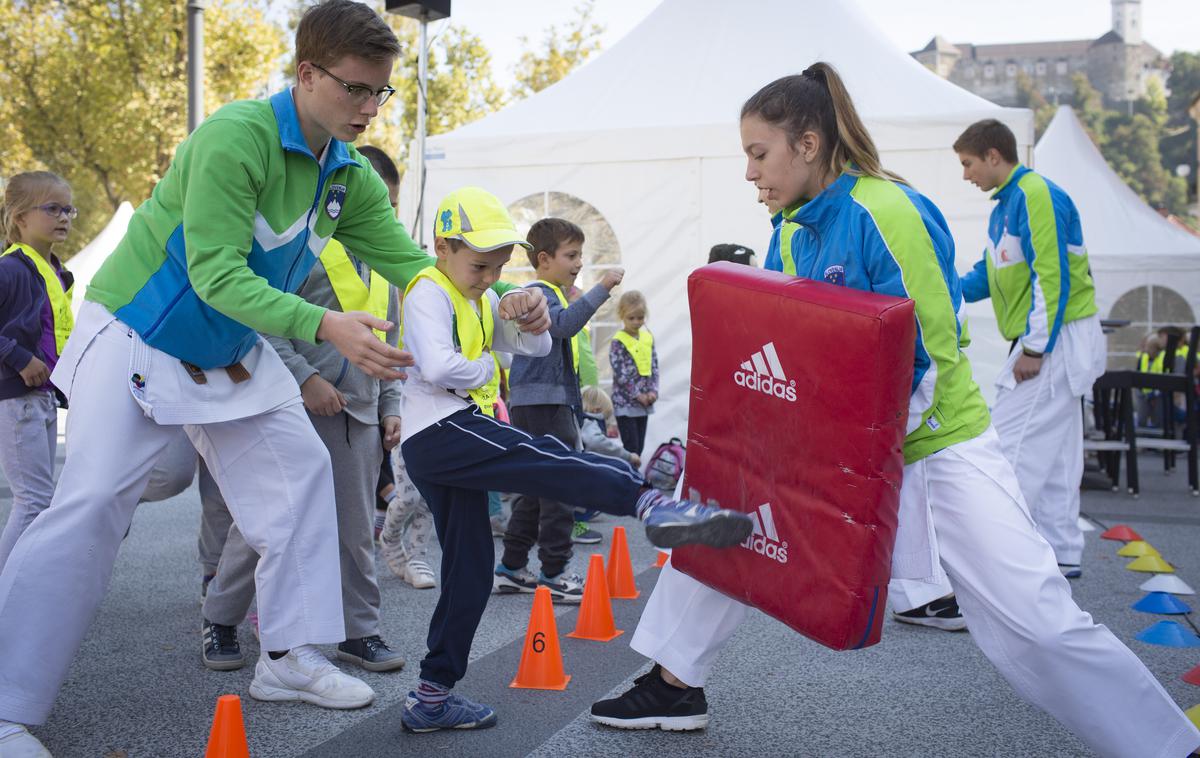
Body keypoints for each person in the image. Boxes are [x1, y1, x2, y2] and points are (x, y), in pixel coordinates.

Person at [590, 64, 1200, 758]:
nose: (750, 173)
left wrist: (849, 453)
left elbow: (932, 361)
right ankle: (675, 682)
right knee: (722, 516)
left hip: (937, 445)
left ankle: (1168, 746)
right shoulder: (790, 230)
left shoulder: (890, 212)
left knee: (1035, 622)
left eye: (759, 154)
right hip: (843, 445)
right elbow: (787, 351)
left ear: (809, 144)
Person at [0, 2, 551, 754]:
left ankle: (290, 658)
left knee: (298, 472)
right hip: (137, 332)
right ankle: (7, 706)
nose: (368, 108)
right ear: (305, 73)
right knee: (93, 501)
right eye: (355, 89)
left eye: (380, 92)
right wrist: (327, 327)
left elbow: (420, 270)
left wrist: (508, 299)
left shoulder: (347, 176)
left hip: (230, 348)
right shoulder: (235, 138)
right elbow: (216, 273)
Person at [395, 186, 753, 733]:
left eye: (497, 267)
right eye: (479, 265)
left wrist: (530, 317)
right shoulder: (428, 289)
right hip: (442, 430)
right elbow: (442, 369)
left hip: (453, 431)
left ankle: (432, 696)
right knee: (548, 459)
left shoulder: (481, 296)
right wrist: (493, 364)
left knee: (469, 573)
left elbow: (536, 350)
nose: (490, 277)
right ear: (443, 247)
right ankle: (648, 501)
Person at [198, 144, 408, 674]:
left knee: (357, 531)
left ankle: (359, 632)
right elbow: (263, 321)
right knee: (267, 521)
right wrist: (307, 378)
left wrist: (391, 405)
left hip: (360, 413)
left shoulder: (387, 271)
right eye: (372, 203)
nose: (380, 217)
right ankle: (221, 616)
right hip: (294, 403)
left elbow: (392, 344)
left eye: (389, 205)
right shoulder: (302, 251)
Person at [956, 118, 1107, 579]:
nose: (966, 175)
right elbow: (989, 274)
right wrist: (945, 294)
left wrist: (1036, 348)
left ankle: (1002, 560)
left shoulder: (1034, 194)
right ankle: (1062, 549)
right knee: (1060, 455)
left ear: (994, 156)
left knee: (1005, 446)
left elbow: (1051, 274)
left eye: (968, 164)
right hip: (1052, 338)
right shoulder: (1006, 204)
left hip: (1055, 339)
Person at [496, 218, 624, 602]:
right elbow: (564, 326)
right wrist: (601, 290)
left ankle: (513, 567)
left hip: (537, 403)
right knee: (559, 487)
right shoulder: (540, 292)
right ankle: (554, 572)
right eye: (571, 255)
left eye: (580, 255)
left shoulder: (548, 290)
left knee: (536, 490)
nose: (579, 262)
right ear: (544, 259)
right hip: (545, 404)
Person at [0, 172, 75, 570]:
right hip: (16, 399)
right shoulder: (10, 270)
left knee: (42, 501)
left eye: (68, 209)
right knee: (32, 501)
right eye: (52, 208)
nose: (63, 216)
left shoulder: (57, 272)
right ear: (19, 217)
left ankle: (24, 586)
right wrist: (19, 358)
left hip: (42, 399)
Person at [609, 291, 659, 457]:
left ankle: (635, 479)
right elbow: (620, 374)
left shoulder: (647, 337)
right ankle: (629, 480)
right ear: (621, 316)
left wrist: (653, 391)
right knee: (631, 447)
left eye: (640, 317)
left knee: (640, 447)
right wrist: (637, 394)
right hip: (625, 404)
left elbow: (654, 366)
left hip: (644, 403)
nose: (637, 322)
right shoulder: (618, 341)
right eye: (631, 318)